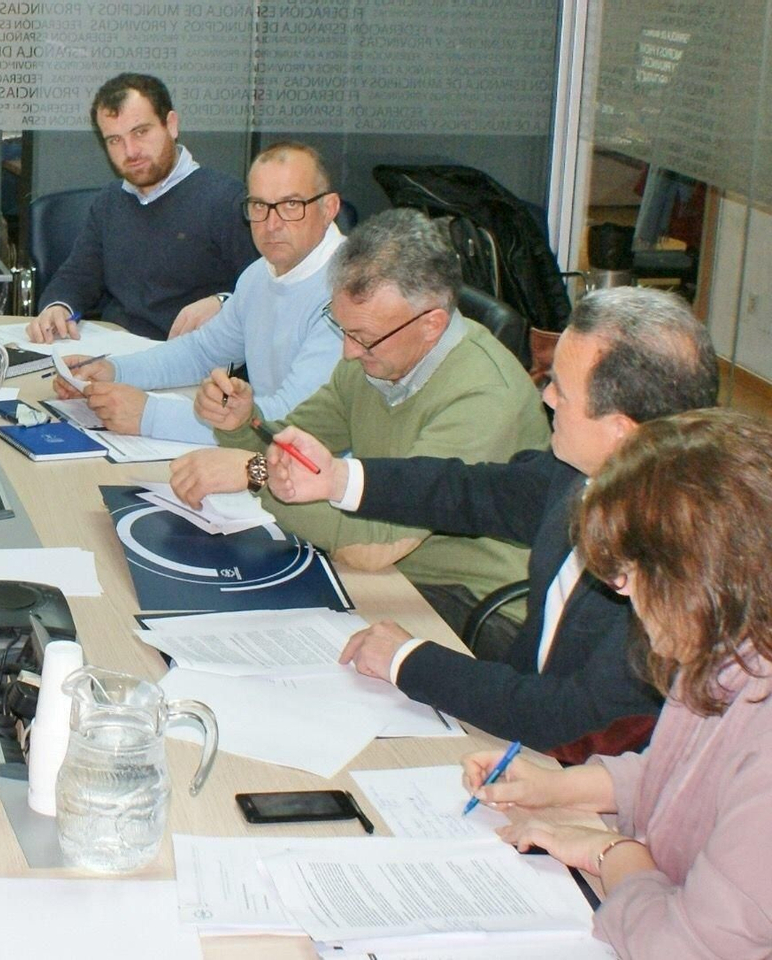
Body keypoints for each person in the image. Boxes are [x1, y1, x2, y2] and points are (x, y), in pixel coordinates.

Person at [267, 287, 718, 759]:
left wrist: (406, 660)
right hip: (517, 736)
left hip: (585, 778)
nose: (544, 396)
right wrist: (338, 477)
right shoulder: (580, 471)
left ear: (621, 431)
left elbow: (571, 717)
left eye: (560, 389)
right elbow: (472, 492)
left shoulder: (677, 561)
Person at [467, 409, 772, 958]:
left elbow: (686, 949)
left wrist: (611, 854)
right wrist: (561, 787)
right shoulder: (725, 648)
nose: (624, 594)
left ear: (702, 573)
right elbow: (686, 779)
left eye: (631, 573)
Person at [169, 209, 549, 634]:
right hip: (384, 578)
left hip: (469, 601)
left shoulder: (482, 396)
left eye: (363, 338)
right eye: (342, 328)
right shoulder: (376, 358)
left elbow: (372, 546)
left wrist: (254, 474)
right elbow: (288, 449)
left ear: (431, 325)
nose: (349, 352)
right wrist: (241, 422)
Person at [53, 141, 343, 443]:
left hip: (320, 472)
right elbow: (202, 353)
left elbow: (293, 418)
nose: (271, 224)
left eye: (291, 205)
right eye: (259, 205)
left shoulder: (349, 291)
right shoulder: (259, 275)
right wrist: (114, 371)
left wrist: (149, 415)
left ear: (328, 208)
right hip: (271, 460)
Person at [25, 73, 256, 343]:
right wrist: (58, 306)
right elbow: (79, 275)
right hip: (115, 354)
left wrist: (223, 303)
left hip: (192, 361)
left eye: (140, 132)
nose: (130, 151)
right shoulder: (109, 202)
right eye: (114, 140)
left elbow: (268, 287)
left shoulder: (226, 200)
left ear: (171, 125)